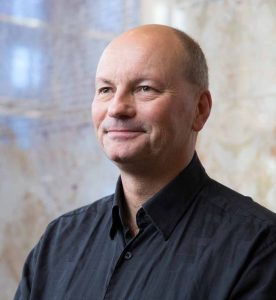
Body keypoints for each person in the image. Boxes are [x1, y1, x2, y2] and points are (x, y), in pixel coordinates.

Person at [14, 24, 276, 300]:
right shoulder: (59, 241)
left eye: (144, 88)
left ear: (200, 109)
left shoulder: (258, 246)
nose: (116, 107)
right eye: (105, 89)